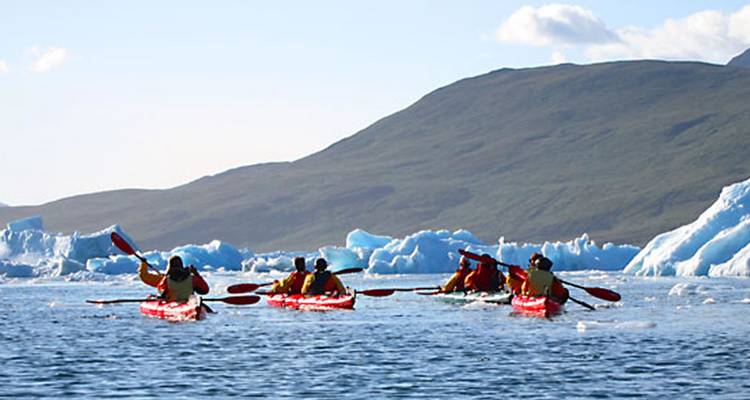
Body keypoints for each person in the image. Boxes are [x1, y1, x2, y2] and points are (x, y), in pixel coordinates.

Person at [139, 255, 210, 302]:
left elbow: (144, 276)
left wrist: (143, 264)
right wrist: (196, 274)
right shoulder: (193, 279)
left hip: (173, 304)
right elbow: (205, 290)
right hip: (188, 303)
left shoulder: (165, 280)